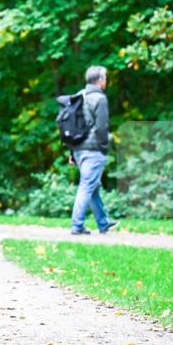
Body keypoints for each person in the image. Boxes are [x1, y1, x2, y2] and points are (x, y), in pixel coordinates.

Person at [70, 65, 119, 235]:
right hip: (93, 150)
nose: (106, 81)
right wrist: (104, 149)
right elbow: (101, 128)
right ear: (100, 80)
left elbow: (72, 127)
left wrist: (72, 153)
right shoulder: (100, 98)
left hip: (78, 149)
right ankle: (77, 226)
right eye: (105, 78)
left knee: (93, 187)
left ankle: (103, 223)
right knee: (87, 186)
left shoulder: (78, 96)